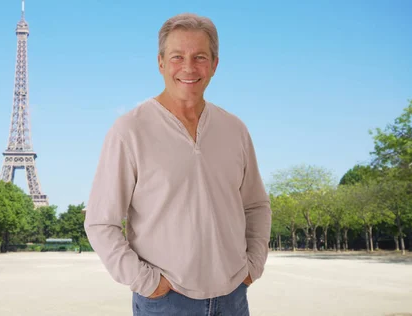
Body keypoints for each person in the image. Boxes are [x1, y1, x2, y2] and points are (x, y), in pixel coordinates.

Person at [84, 12, 272, 316]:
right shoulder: (129, 130)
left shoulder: (234, 129)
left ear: (214, 65)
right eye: (177, 57)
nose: (188, 67)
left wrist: (253, 266)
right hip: (166, 302)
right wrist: (147, 282)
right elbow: (100, 222)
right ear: (160, 62)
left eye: (199, 57)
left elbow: (256, 206)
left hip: (233, 297)